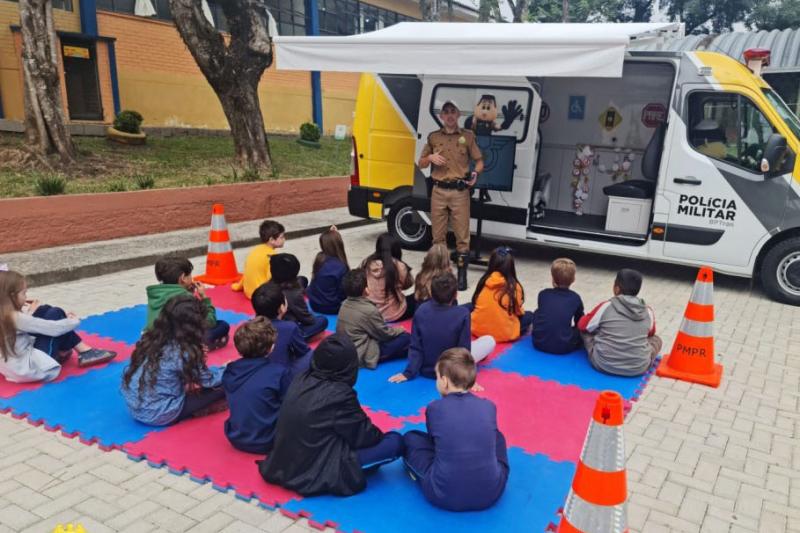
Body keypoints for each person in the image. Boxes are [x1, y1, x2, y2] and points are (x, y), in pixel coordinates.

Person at [259, 334, 404, 496]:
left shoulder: (301, 378)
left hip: (282, 462)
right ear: (349, 365)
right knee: (395, 442)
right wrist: (381, 437)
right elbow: (364, 436)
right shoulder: (340, 395)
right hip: (315, 470)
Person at [403, 348, 509, 511]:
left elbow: (434, 443)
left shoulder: (434, 408)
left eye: (437, 376)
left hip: (442, 494)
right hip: (491, 493)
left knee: (410, 438)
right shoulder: (489, 406)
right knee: (497, 436)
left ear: (444, 381)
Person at [121, 296, 224, 426]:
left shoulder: (152, 337)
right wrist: (229, 368)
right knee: (229, 382)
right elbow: (208, 381)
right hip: (159, 413)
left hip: (135, 407)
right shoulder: (183, 351)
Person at [0, 271, 117, 383]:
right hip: (30, 369)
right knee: (56, 313)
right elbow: (53, 329)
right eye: (24, 293)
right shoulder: (15, 317)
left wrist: (31, 313)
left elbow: (22, 326)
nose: (26, 297)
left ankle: (66, 351)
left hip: (13, 366)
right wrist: (73, 321)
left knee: (43, 309)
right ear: (12, 296)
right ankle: (85, 352)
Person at [418, 100, 484, 291]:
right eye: (445, 112)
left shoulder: (468, 136)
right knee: (437, 237)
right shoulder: (433, 137)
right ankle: (441, 275)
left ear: (458, 115)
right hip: (438, 190)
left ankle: (461, 276)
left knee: (462, 237)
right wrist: (429, 158)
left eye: (452, 112)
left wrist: (475, 173)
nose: (449, 115)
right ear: (441, 116)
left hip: (459, 192)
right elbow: (421, 163)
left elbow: (479, 161)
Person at [389, 273, 495, 383]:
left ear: (430, 292)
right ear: (456, 294)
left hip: (426, 370)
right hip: (451, 372)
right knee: (489, 340)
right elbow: (464, 350)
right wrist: (466, 379)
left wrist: (409, 372)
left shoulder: (421, 310)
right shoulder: (462, 314)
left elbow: (416, 346)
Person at [223, 316, 290, 454]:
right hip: (268, 441)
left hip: (235, 437)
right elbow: (290, 405)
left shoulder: (230, 369)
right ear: (271, 347)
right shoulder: (279, 372)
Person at [578, 269, 663, 377]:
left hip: (603, 364)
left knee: (586, 332)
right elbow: (650, 334)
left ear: (616, 289)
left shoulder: (606, 306)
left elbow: (582, 325)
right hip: (638, 368)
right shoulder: (648, 311)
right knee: (657, 340)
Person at [145, 256, 230, 350]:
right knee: (222, 325)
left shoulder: (155, 293)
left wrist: (188, 292)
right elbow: (209, 322)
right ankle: (200, 346)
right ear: (183, 278)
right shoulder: (186, 298)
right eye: (190, 275)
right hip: (177, 343)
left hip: (153, 339)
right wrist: (204, 297)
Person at [337, 269, 410, 369]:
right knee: (406, 338)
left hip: (346, 348)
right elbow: (385, 334)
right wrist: (399, 329)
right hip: (362, 352)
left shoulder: (344, 303)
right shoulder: (369, 310)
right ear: (366, 290)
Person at [470, 247, 534, 343]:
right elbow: (519, 312)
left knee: (469, 306)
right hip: (505, 334)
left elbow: (475, 302)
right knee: (529, 316)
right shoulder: (514, 286)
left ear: (490, 264)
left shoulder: (483, 281)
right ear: (511, 267)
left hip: (477, 330)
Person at [251, 283, 312, 377]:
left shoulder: (249, 327)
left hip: (256, 373)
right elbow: (303, 352)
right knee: (312, 355)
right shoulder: (289, 327)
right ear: (282, 308)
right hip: (281, 377)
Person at [269, 254, 328, 340]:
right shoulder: (293, 294)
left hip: (270, 326)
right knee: (322, 320)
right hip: (287, 331)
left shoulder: (267, 285)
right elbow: (307, 319)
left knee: (303, 279)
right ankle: (300, 338)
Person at [531, 258, 584, 354]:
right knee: (582, 330)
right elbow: (579, 321)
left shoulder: (543, 294)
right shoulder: (575, 298)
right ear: (573, 279)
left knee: (536, 312)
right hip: (563, 347)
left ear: (552, 277)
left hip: (538, 342)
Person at [361, 233, 415, 322]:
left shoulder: (366, 263)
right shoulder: (399, 266)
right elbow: (408, 285)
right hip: (394, 314)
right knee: (419, 297)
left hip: (371, 314)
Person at [232, 220, 286, 299]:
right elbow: (272, 278)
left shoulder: (255, 250)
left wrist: (237, 287)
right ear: (271, 240)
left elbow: (247, 273)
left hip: (248, 291)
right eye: (282, 237)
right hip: (260, 296)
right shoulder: (273, 256)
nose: (284, 239)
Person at [308, 225, 349, 314]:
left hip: (313, 304)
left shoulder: (319, 258)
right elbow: (343, 292)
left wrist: (332, 234)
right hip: (331, 307)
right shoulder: (341, 266)